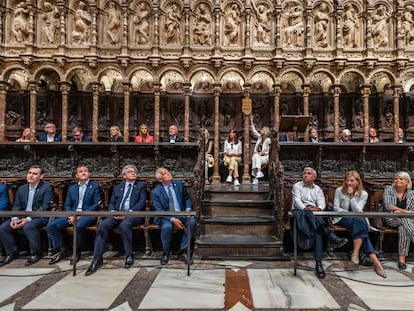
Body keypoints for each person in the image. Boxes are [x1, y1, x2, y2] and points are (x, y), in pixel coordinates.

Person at [85, 165, 147, 275]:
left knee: (124, 225)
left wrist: (127, 214)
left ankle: (129, 254)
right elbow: (112, 202)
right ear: (124, 175)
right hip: (116, 215)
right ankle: (97, 258)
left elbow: (141, 203)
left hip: (133, 215)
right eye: (130, 172)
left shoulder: (141, 186)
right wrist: (113, 212)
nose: (133, 173)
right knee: (103, 225)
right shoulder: (118, 187)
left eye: (135, 172)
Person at [291, 167, 348, 279]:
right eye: (304, 173)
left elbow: (321, 203)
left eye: (308, 174)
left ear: (314, 177)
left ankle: (318, 263)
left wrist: (318, 208)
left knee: (318, 231)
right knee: (311, 217)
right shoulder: (297, 186)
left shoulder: (317, 189)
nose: (305, 175)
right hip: (300, 214)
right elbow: (297, 201)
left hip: (315, 216)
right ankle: (330, 235)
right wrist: (306, 208)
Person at [332, 171, 387, 278]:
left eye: (352, 181)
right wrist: (350, 214)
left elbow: (358, 210)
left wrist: (351, 196)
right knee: (360, 223)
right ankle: (375, 262)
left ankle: (356, 254)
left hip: (356, 219)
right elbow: (336, 208)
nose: (349, 183)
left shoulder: (364, 194)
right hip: (341, 218)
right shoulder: (339, 190)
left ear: (357, 182)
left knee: (359, 223)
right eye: (347, 180)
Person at [47, 165, 103, 265]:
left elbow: (96, 205)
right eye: (81, 171)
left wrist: (80, 216)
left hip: (88, 215)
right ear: (76, 175)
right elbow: (67, 204)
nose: (83, 173)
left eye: (86, 171)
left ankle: (76, 251)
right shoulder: (72, 188)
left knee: (78, 225)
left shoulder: (95, 186)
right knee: (52, 225)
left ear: (89, 174)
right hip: (72, 215)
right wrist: (71, 215)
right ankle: (62, 249)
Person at [0, 165, 54, 267]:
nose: (31, 176)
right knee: (3, 228)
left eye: (34, 174)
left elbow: (45, 207)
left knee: (29, 226)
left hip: (40, 216)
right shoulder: (22, 188)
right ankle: (11, 253)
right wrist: (15, 218)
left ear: (41, 176)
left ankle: (36, 253)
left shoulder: (46, 188)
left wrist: (28, 219)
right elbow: (16, 206)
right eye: (29, 173)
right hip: (22, 216)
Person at [152, 167, 197, 265]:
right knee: (167, 227)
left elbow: (187, 199)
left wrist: (188, 209)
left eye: (168, 172)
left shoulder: (179, 184)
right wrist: (172, 219)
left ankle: (183, 251)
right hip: (165, 216)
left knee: (192, 222)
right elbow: (159, 211)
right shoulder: (156, 192)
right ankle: (166, 252)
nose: (168, 174)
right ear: (160, 179)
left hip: (181, 213)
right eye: (165, 174)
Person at [382, 171, 414, 270]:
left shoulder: (412, 194)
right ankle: (401, 258)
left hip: (406, 221)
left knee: (403, 227)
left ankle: (401, 259)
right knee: (405, 219)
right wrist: (405, 212)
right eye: (396, 178)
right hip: (390, 219)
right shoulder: (388, 189)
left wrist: (401, 212)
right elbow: (388, 206)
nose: (398, 180)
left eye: (401, 179)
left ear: (407, 182)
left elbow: (413, 211)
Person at [250, 116, 271, 185]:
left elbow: (271, 151)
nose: (260, 131)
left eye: (262, 130)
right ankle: (258, 173)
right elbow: (254, 131)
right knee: (255, 157)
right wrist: (251, 122)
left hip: (266, 157)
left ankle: (255, 175)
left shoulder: (268, 140)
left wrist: (263, 153)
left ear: (265, 132)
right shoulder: (260, 137)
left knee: (256, 157)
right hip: (258, 156)